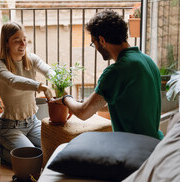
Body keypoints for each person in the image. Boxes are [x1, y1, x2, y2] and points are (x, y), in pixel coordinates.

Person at [55, 10, 163, 140]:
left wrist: (65, 99)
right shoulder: (147, 61)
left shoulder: (117, 71)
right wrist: (86, 105)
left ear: (101, 40)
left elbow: (83, 113)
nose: (94, 47)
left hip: (135, 148)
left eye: (93, 42)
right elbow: (128, 104)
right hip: (155, 142)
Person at [0, 21, 54, 164]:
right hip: (10, 128)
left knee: (53, 150)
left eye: (24, 39)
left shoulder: (31, 59)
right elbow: (13, 81)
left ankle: (15, 150)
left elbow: (47, 69)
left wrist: (58, 78)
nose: (23, 44)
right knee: (32, 161)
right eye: (17, 40)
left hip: (33, 122)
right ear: (6, 43)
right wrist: (40, 86)